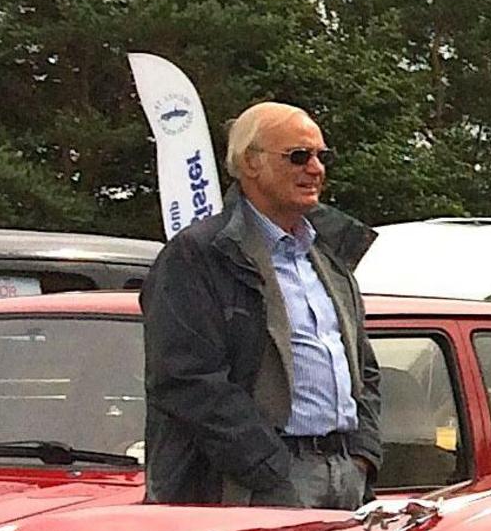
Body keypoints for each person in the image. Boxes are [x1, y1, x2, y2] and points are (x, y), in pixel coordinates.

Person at [142, 101, 380, 507]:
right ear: (250, 163)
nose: (315, 169)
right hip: (253, 484)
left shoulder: (326, 255)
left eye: (322, 156)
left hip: (342, 475)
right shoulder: (200, 255)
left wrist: (362, 455)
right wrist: (269, 469)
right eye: (298, 156)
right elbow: (184, 378)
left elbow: (365, 369)